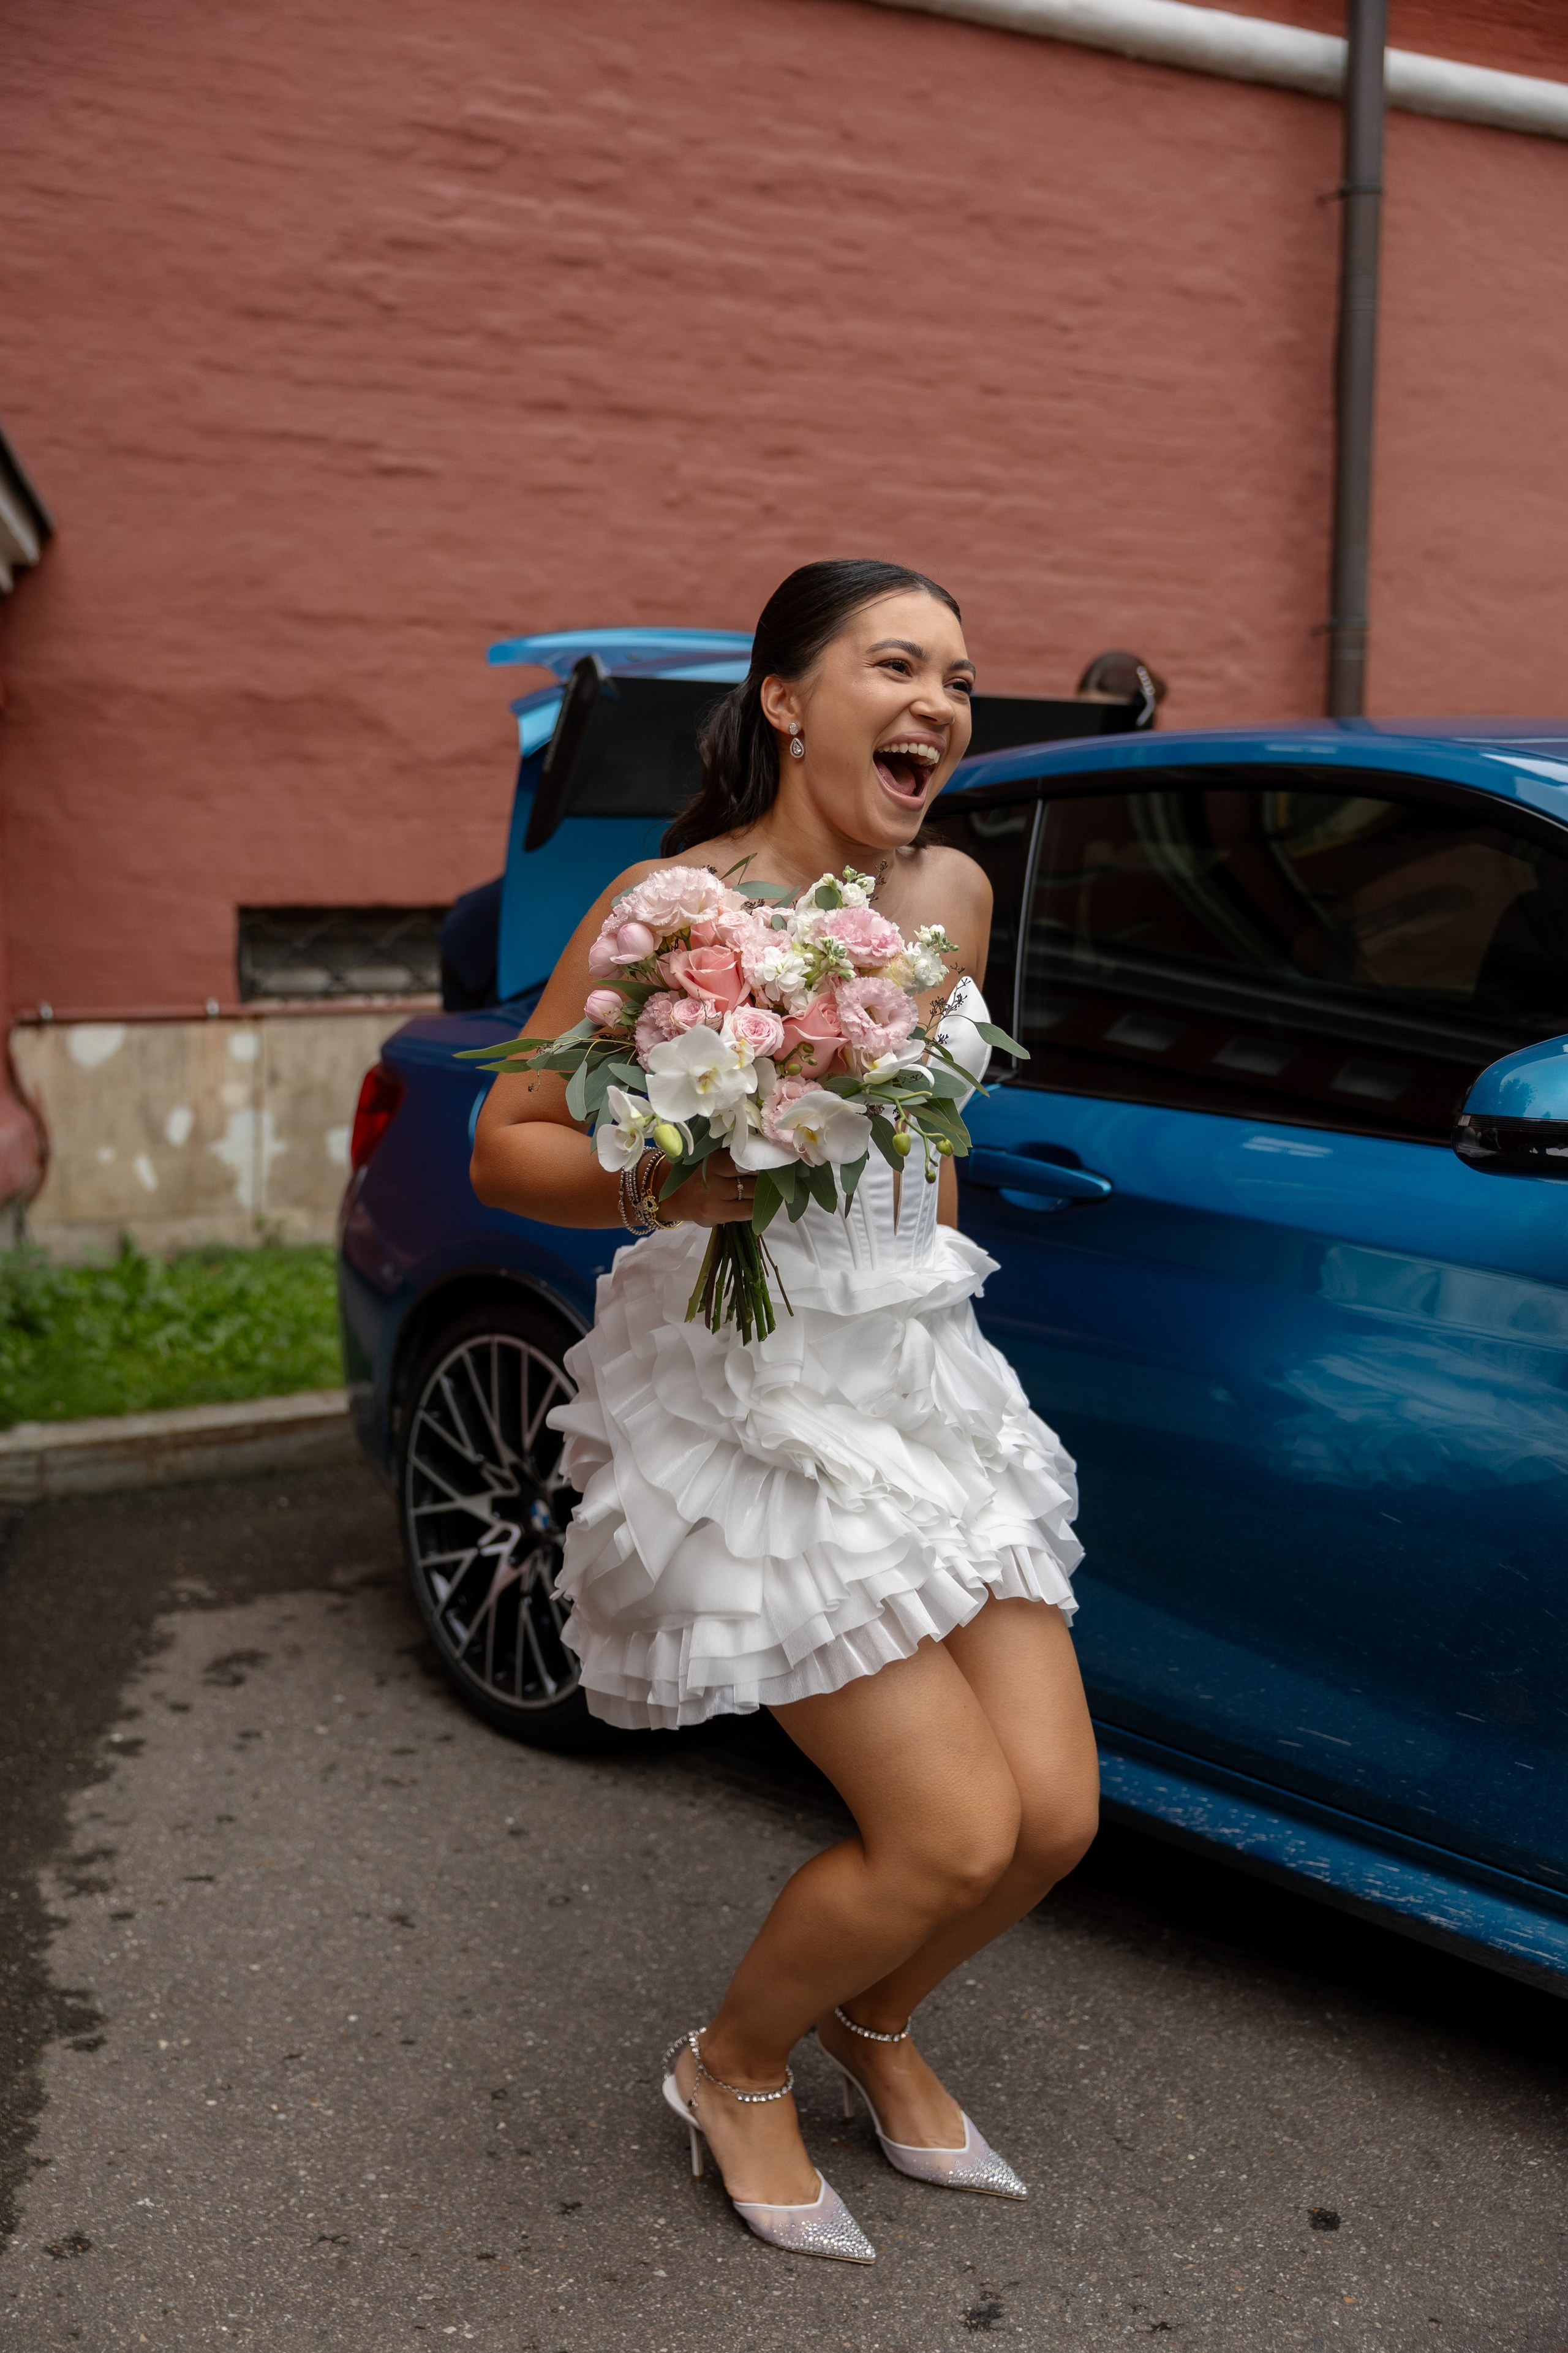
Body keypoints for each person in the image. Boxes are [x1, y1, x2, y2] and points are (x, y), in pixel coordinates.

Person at [471, 559, 1098, 2265]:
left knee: (1050, 1819)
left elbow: (935, 1133)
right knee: (947, 1824)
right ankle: (731, 2063)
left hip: (915, 1373)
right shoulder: (673, 904)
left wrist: (936, 1276)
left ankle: (869, 2022)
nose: (941, 706)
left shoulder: (952, 888)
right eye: (897, 663)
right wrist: (681, 1186)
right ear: (784, 698)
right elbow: (510, 1140)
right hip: (753, 1397)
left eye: (960, 677)